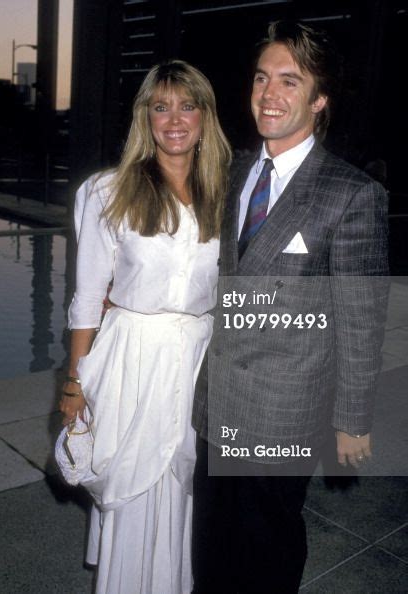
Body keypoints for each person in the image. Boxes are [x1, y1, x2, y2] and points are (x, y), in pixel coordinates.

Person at [192, 21, 389, 593]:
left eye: (289, 81)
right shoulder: (231, 173)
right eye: (261, 79)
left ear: (319, 99)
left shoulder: (350, 194)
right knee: (211, 543)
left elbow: (361, 317)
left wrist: (352, 419)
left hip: (284, 407)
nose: (268, 95)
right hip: (217, 402)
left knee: (266, 546)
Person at [59, 60, 231, 594]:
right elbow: (88, 296)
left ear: (205, 117)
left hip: (201, 359)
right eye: (161, 107)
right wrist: (74, 381)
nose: (174, 118)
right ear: (145, 117)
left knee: (185, 490)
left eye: (187, 105)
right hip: (132, 357)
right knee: (133, 486)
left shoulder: (229, 192)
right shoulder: (108, 192)